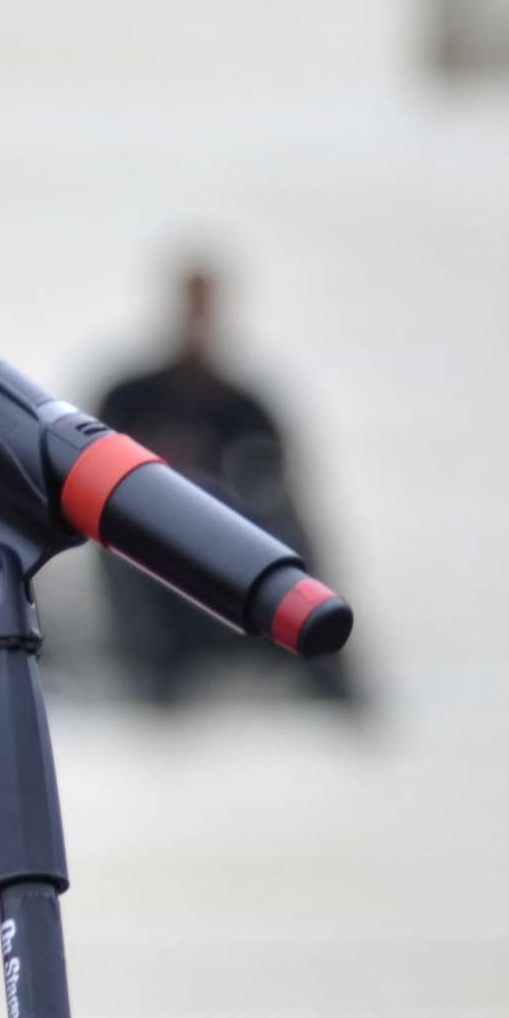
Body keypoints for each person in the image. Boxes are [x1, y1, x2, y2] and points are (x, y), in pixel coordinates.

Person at [95, 262, 360, 709]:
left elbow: (274, 475)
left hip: (227, 532)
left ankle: (321, 658)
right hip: (149, 534)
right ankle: (151, 675)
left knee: (293, 536)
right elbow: (94, 465)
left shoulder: (244, 403)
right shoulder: (131, 394)